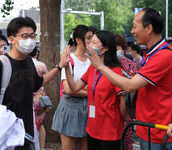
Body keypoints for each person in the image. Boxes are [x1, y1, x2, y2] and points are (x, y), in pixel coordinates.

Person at [0, 16, 69, 149]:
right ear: (12, 39)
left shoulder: (28, 61)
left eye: (32, 36)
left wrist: (59, 66)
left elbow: (39, 82)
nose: (30, 40)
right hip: (5, 131)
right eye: (25, 36)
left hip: (26, 128)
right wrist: (4, 120)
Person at [86, 8, 172, 150]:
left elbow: (130, 86)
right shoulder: (150, 55)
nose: (132, 31)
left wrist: (100, 67)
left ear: (149, 28)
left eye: (134, 26)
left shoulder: (162, 56)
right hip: (148, 129)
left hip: (159, 133)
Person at [65, 30, 126, 150]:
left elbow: (123, 105)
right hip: (92, 128)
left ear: (105, 48)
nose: (89, 45)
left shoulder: (116, 71)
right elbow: (74, 88)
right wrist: (66, 67)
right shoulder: (92, 68)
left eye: (94, 42)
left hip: (110, 131)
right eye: (90, 41)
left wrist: (117, 121)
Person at [52, 25, 93, 150]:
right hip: (71, 107)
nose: (91, 41)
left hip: (89, 108)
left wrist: (80, 89)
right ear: (78, 39)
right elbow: (69, 90)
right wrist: (90, 91)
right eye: (88, 38)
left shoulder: (93, 60)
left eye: (92, 38)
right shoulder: (69, 60)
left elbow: (92, 86)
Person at [28, 47, 48, 150]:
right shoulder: (42, 65)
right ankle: (42, 147)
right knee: (41, 124)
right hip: (40, 98)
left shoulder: (26, 64)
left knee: (31, 125)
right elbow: (46, 77)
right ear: (36, 54)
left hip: (29, 98)